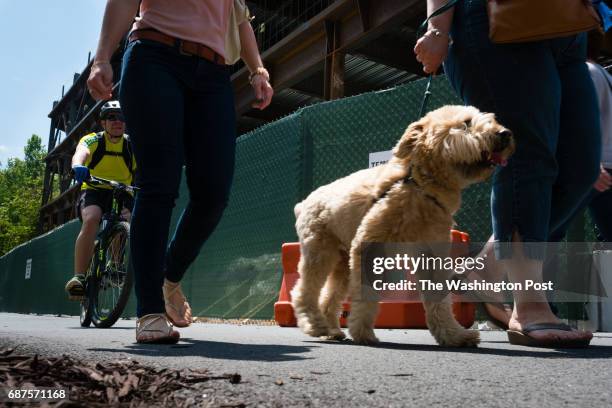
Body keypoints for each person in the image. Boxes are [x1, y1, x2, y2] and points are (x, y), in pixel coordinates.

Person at [87, 0, 274, 343]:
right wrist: (102, 58)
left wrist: (257, 71)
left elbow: (240, 18)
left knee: (214, 193)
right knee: (159, 184)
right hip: (155, 56)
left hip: (215, 74)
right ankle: (150, 312)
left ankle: (169, 277)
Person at [414, 0, 598, 347]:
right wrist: (438, 27)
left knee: (582, 168)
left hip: (569, 24)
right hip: (493, 16)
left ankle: (485, 269)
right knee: (525, 153)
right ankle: (528, 305)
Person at [65, 101, 136, 300]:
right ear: (103, 122)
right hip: (94, 190)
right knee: (92, 219)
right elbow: (81, 152)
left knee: (127, 219)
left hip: (122, 192)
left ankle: (115, 265)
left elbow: (147, 165)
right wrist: (78, 165)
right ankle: (79, 277)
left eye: (121, 117)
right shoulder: (93, 140)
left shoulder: (131, 145)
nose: (117, 121)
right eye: (112, 117)